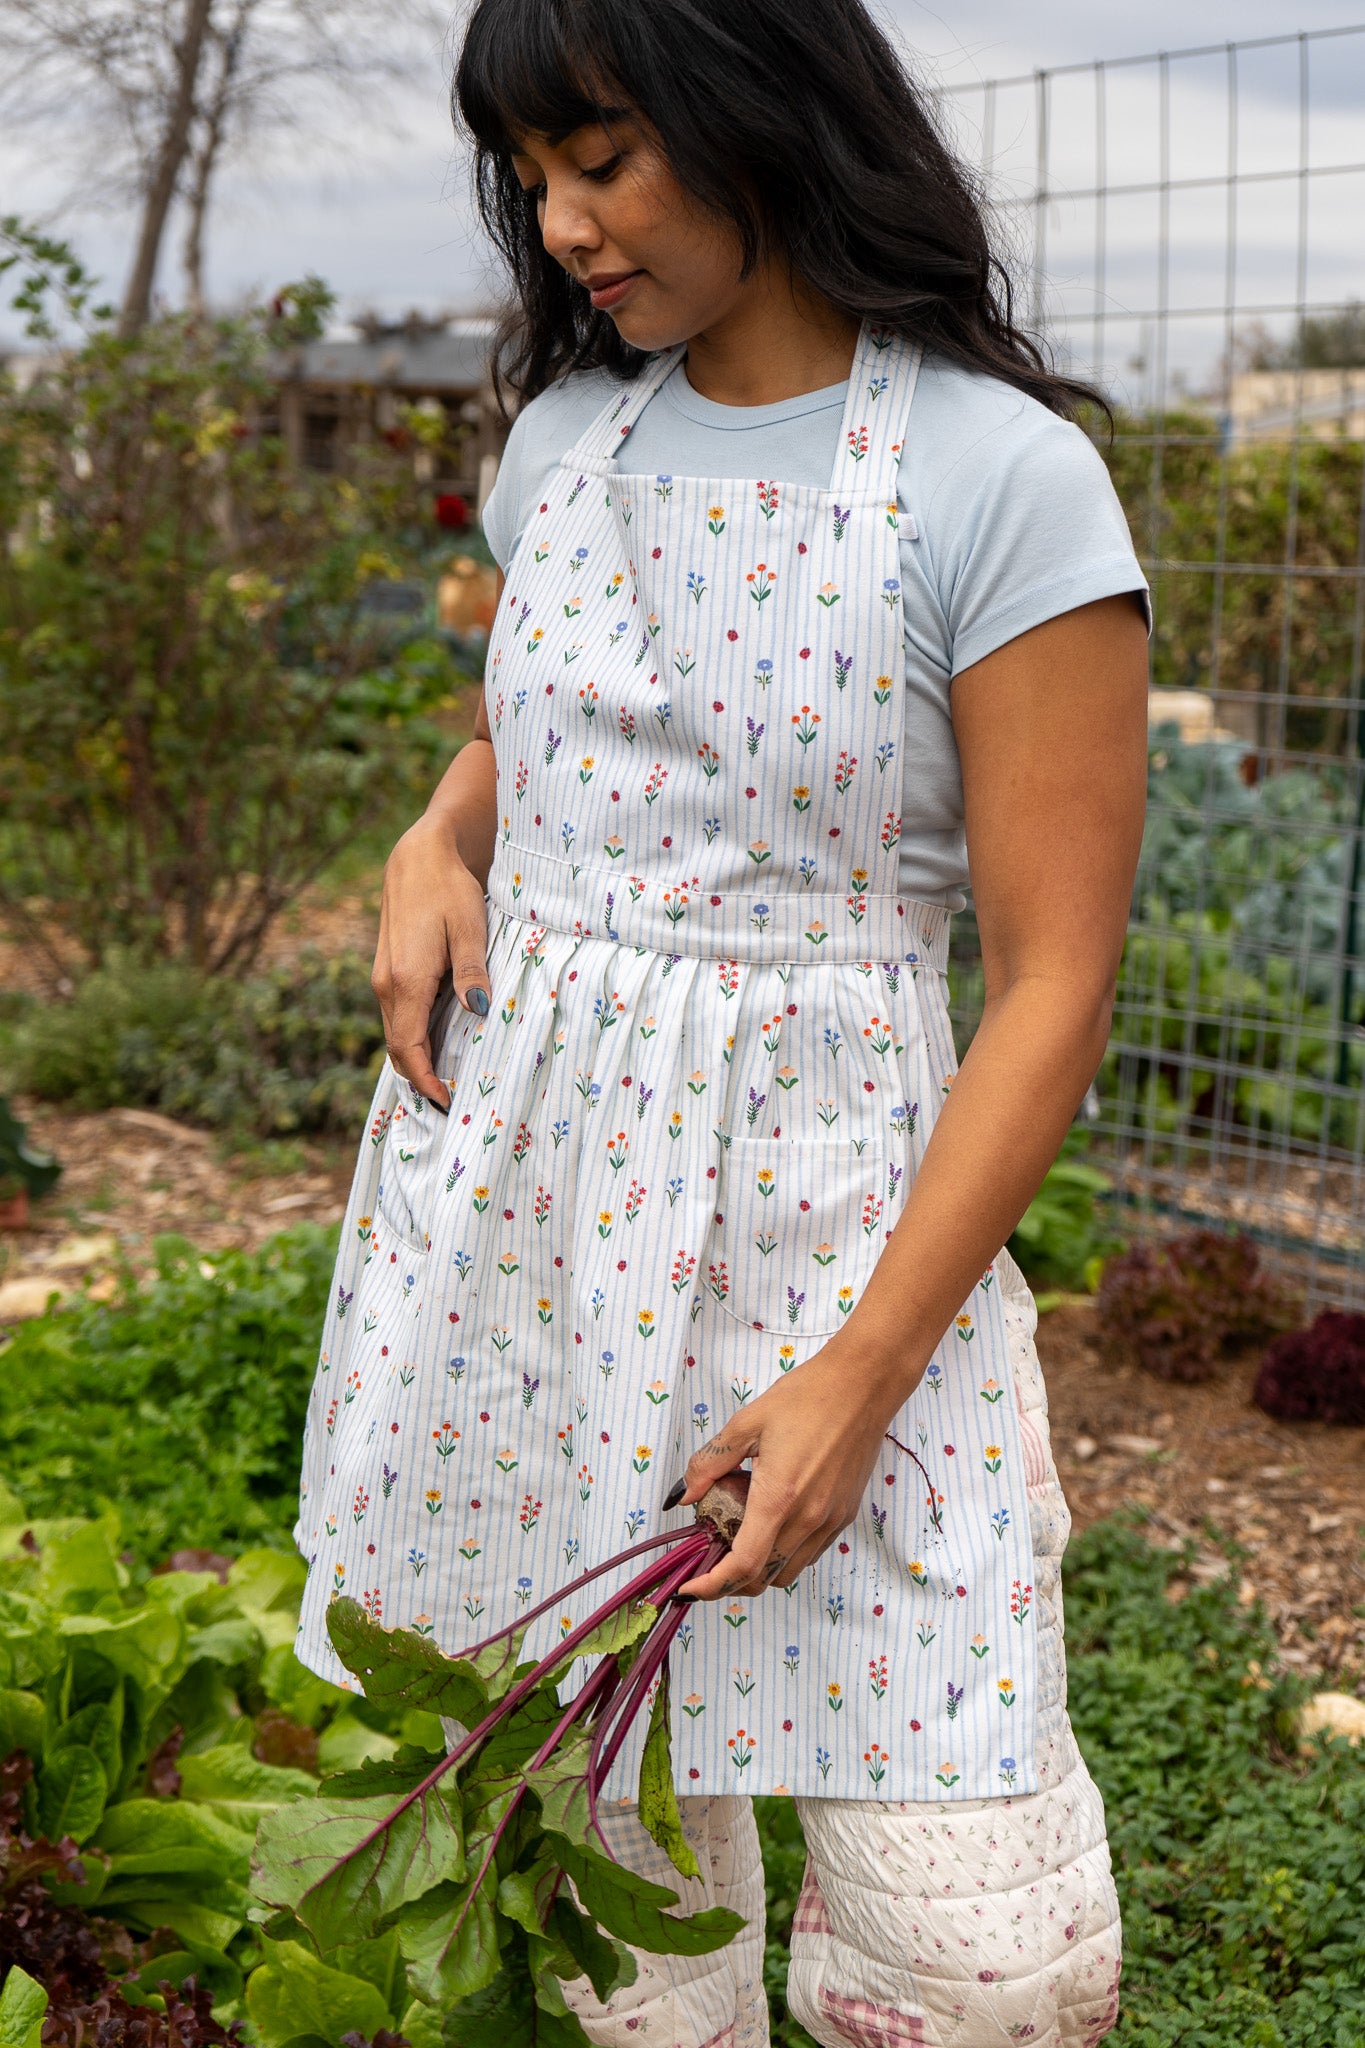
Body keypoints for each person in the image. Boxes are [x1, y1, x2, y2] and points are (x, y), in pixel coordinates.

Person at [292, 2, 1150, 2040]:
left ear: (750, 106)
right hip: (527, 1232)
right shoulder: (563, 442)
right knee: (617, 1874)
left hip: (846, 1251)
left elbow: (1051, 979)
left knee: (977, 1954)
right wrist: (435, 832)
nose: (562, 220)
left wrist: (860, 1372)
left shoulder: (995, 476)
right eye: (530, 177)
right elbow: (564, 720)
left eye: (600, 156)